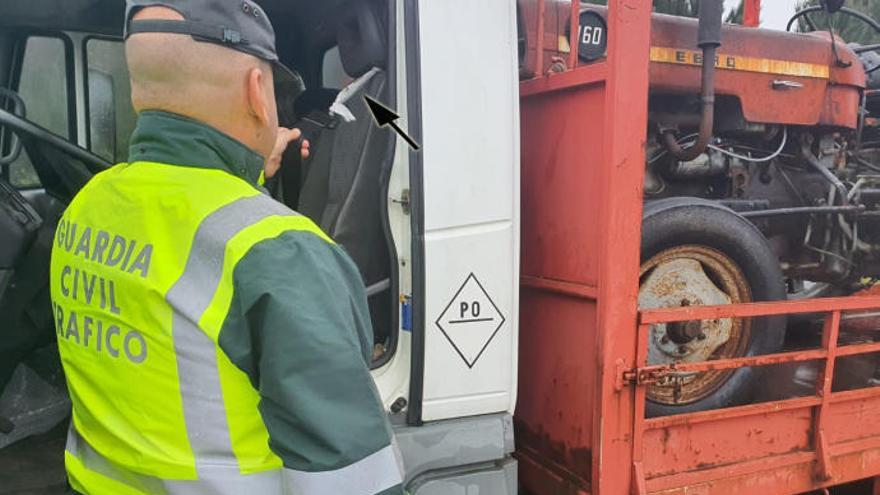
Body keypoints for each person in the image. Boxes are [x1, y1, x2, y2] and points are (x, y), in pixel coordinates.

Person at [49, 1, 404, 493]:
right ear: (257, 92)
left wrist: (248, 168)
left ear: (139, 91)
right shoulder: (281, 254)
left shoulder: (87, 205)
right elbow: (356, 481)